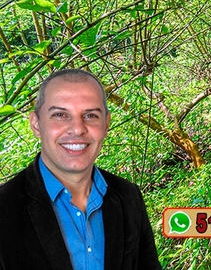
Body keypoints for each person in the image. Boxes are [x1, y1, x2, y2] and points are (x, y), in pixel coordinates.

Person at [0, 69, 161, 270]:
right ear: (36, 124)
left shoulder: (128, 196)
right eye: (60, 115)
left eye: (90, 115)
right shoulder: (4, 207)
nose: (77, 129)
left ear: (106, 124)